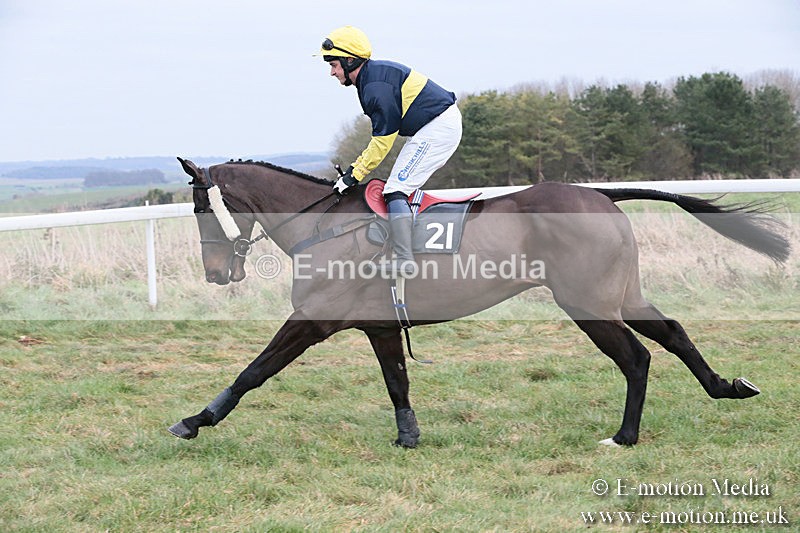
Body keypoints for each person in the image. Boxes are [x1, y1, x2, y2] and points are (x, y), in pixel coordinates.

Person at [319, 25, 462, 277]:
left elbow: (382, 143)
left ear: (350, 61)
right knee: (396, 187)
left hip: (438, 128)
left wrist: (353, 175)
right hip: (430, 126)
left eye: (334, 65)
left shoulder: (375, 88)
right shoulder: (370, 79)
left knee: (396, 189)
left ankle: (405, 260)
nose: (331, 72)